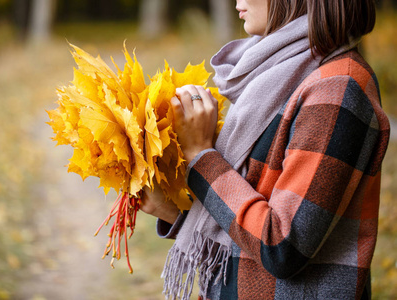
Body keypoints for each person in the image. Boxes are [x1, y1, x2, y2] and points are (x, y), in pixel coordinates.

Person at [140, 0, 390, 299]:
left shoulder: (336, 90)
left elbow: (283, 246)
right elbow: (252, 229)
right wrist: (171, 210)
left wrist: (200, 156)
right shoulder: (278, 77)